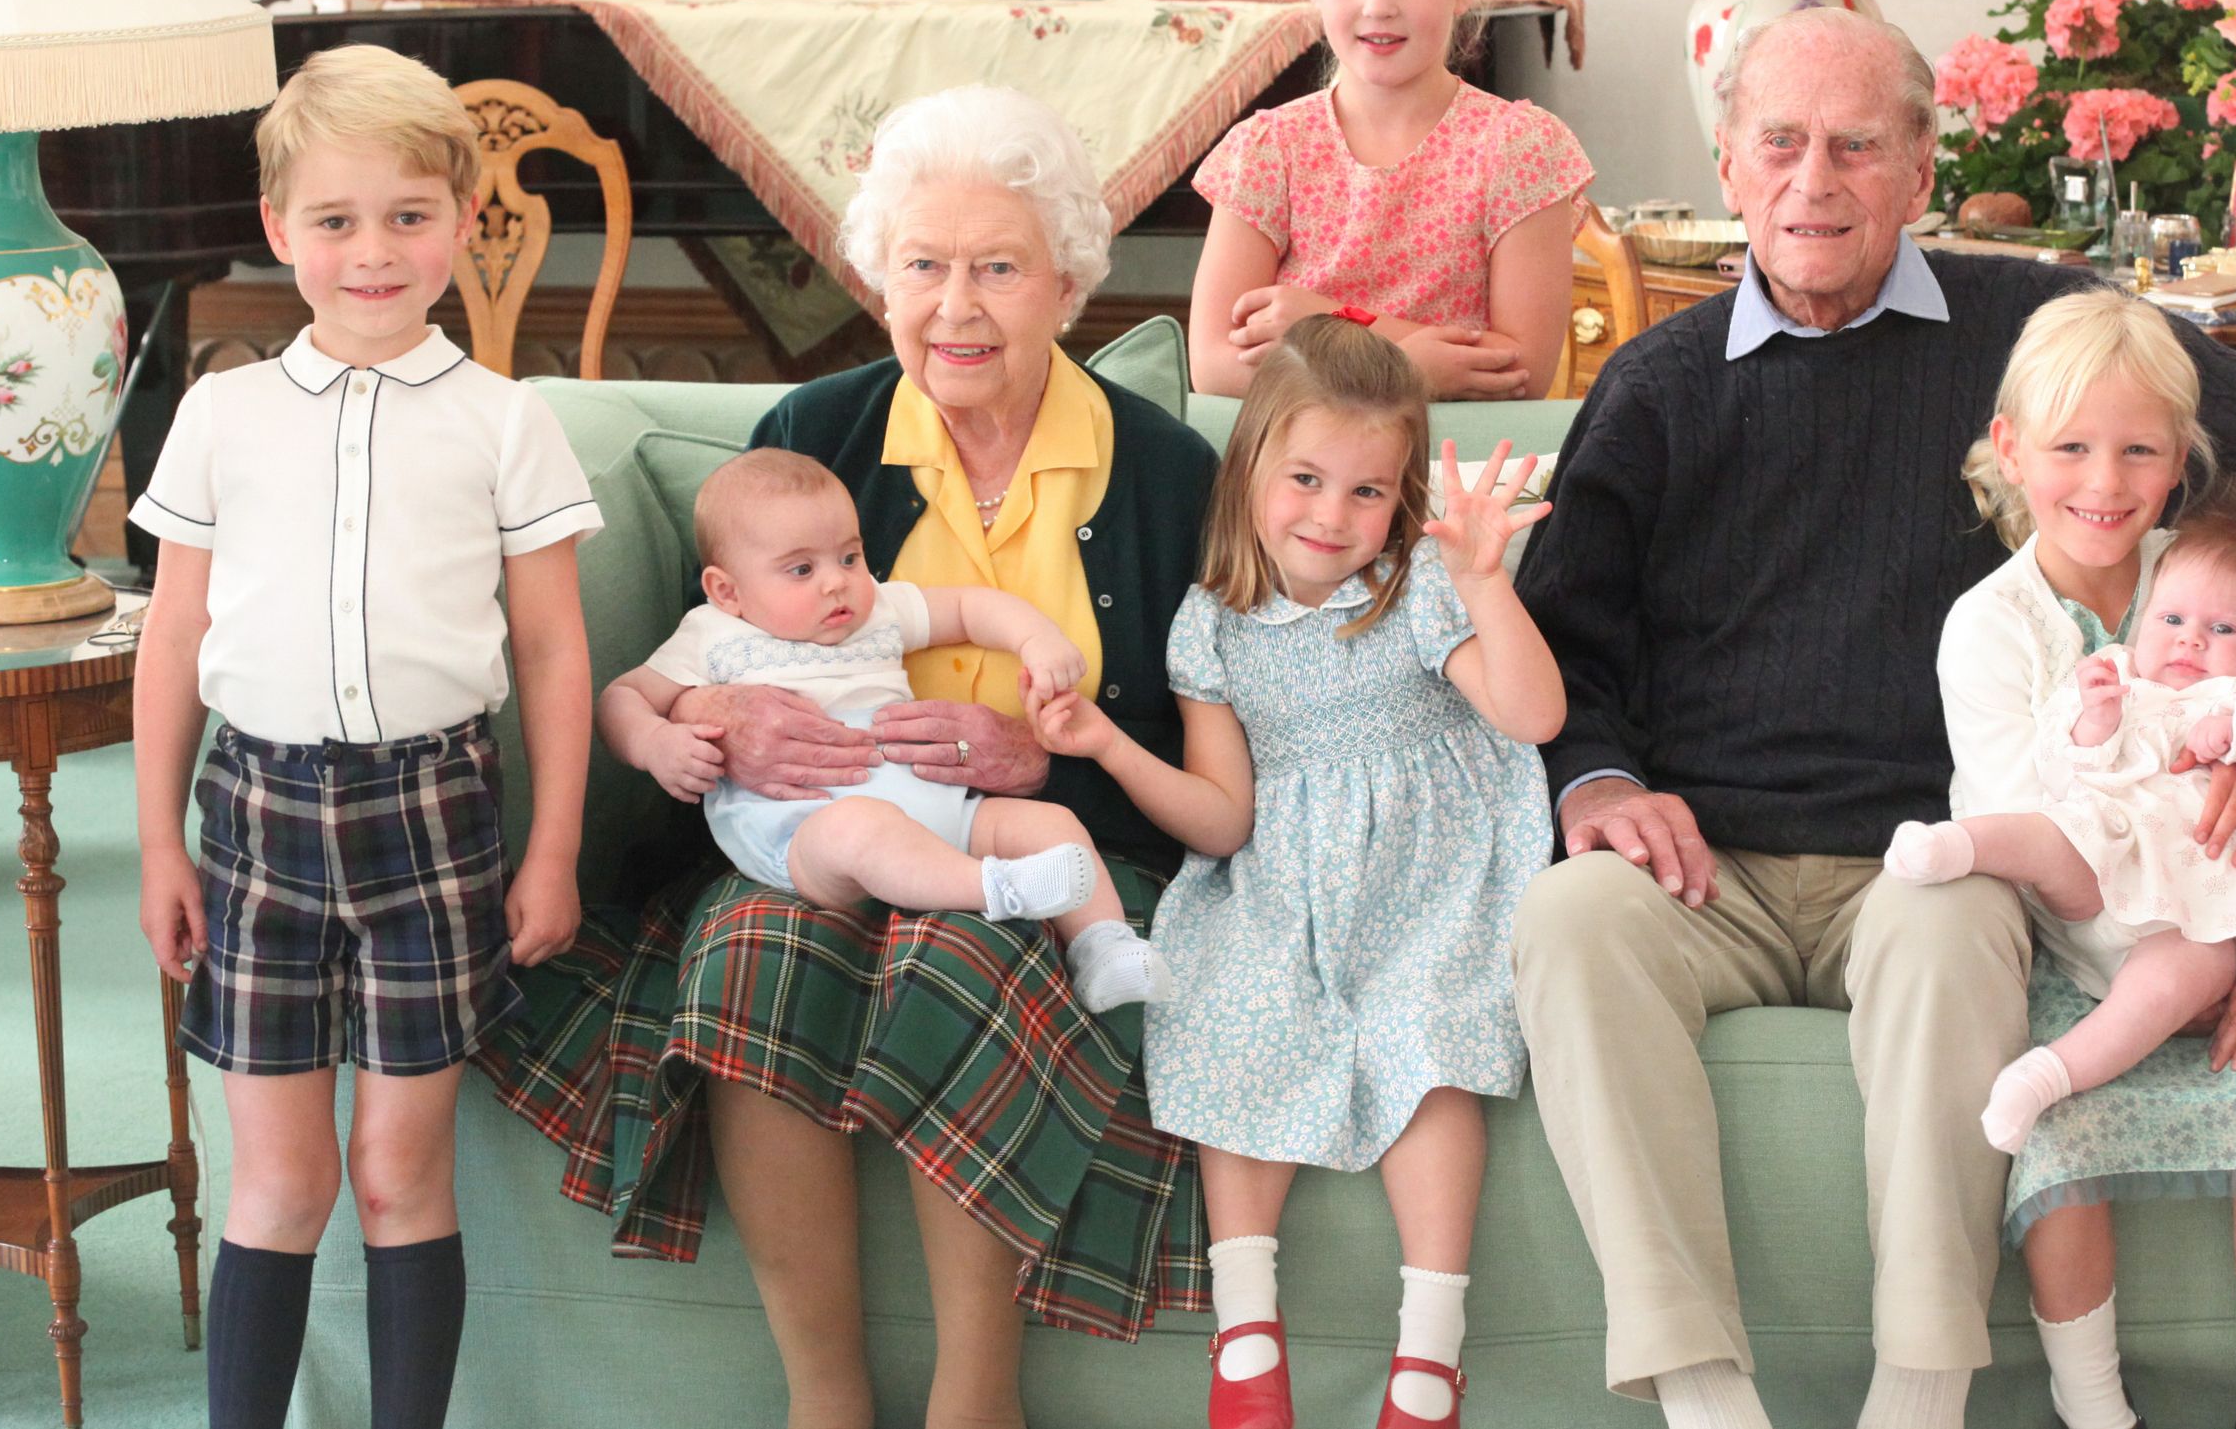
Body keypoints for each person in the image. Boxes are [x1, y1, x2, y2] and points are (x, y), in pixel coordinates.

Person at [1509, 6, 2236, 1429]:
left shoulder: (2027, 329)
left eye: (1858, 145)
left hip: (1927, 852)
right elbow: (1567, 633)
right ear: (1729, 167)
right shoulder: (1659, 386)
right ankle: (1701, 1387)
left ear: (1921, 165)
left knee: (1948, 928)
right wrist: (1599, 779)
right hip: (1707, 865)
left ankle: (1919, 1387)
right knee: (1565, 923)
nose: (1817, 180)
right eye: (1783, 145)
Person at [475, 84, 1220, 1429]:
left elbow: (1203, 734)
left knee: (962, 948)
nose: (958, 307)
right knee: (753, 947)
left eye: (998, 267)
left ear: (1068, 279)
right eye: (924, 267)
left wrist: (1045, 768)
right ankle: (828, 1401)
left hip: (1042, 846)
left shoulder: (1164, 472)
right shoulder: (817, 437)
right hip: (811, 830)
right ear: (883, 277)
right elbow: (703, 656)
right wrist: (721, 728)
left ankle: (974, 1398)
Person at [129, 44, 600, 1429]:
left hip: (434, 821)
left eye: (407, 216)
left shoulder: (507, 422)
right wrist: (159, 837)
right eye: (335, 221)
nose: (373, 251)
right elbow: (172, 640)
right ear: (282, 233)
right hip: (255, 821)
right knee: (280, 1180)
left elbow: (553, 650)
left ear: (464, 222)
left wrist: (554, 847)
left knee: (400, 1173)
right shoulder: (222, 417)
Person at [1035, 316, 1559, 1429]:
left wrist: (1484, 583)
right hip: (1285, 878)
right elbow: (1222, 822)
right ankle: (1247, 1341)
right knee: (1230, 1012)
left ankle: (1427, 1361)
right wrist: (1109, 746)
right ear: (1252, 471)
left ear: (1404, 497)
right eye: (1308, 480)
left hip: (1435, 873)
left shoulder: (1418, 585)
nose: (1332, 516)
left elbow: (1533, 715)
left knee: (1428, 1040)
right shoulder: (1212, 627)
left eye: (1369, 492)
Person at [1930, 290, 2236, 1429]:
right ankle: (2093, 1406)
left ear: (2178, 464)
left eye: (2138, 452)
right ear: (2012, 454)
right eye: (2070, 449)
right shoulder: (1993, 626)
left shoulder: (2208, 574)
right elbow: (2033, 825)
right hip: (2084, 953)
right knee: (2053, 1147)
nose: (2104, 483)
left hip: (2227, 934)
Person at [596, 448, 1167, 1010]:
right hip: (806, 833)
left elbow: (971, 607)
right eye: (802, 569)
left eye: (849, 557)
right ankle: (996, 888)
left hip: (939, 807)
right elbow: (622, 697)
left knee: (1050, 821)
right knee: (863, 829)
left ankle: (1104, 948)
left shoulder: (879, 612)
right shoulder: (713, 633)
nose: (836, 583)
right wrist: (655, 742)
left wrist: (1036, 639)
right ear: (728, 591)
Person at [1894, 478, 2236, 1152]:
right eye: (2171, 621)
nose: (2190, 642)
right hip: (2100, 859)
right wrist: (2096, 721)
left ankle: (2047, 1076)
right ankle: (1951, 847)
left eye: (2223, 629)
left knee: (2189, 973)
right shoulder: (2117, 675)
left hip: (2190, 912)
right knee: (2052, 836)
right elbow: (2059, 768)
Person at [1187, 0, 1593, 403]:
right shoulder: (1268, 150)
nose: (1377, 4)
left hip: (1461, 477)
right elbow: (1212, 367)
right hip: (1304, 480)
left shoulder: (1521, 150)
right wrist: (1409, 365)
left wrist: (1330, 323)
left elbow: (1519, 373)